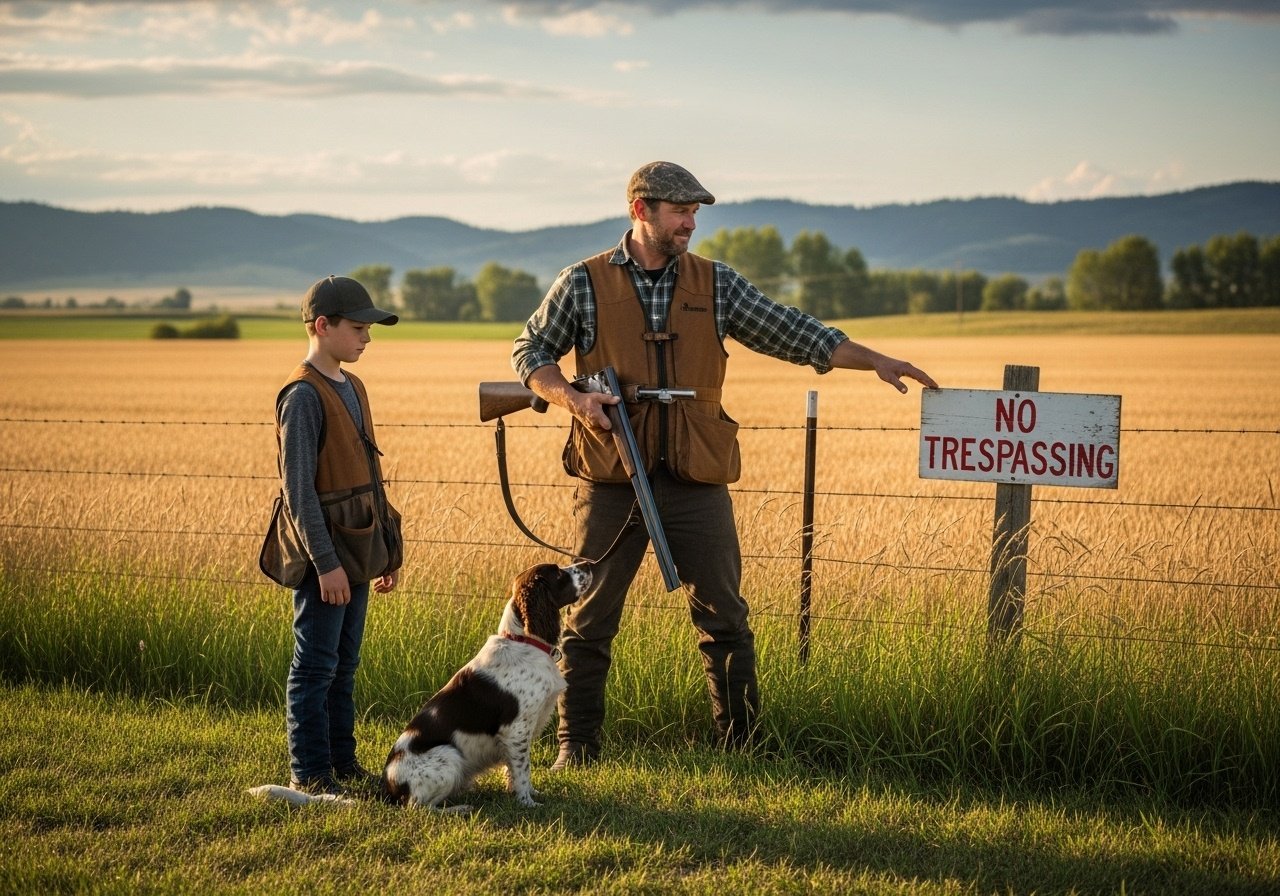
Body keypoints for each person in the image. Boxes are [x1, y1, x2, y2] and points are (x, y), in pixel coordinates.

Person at [511, 161, 938, 769]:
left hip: (695, 478)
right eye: (680, 212)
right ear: (642, 210)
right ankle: (576, 749)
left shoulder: (717, 284)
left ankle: (742, 747)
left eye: (695, 213)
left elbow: (795, 333)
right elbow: (530, 350)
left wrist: (874, 359)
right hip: (611, 474)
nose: (691, 223)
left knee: (725, 616)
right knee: (589, 618)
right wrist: (574, 400)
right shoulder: (581, 283)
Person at [274, 275, 402, 795]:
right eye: (358, 326)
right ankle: (310, 773)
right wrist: (324, 563)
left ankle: (343, 765)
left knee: (344, 664)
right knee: (315, 666)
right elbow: (298, 491)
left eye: (370, 326)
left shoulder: (354, 386)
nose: (367, 336)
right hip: (324, 557)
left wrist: (387, 552)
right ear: (321, 326)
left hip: (358, 551)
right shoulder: (303, 395)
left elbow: (370, 478)